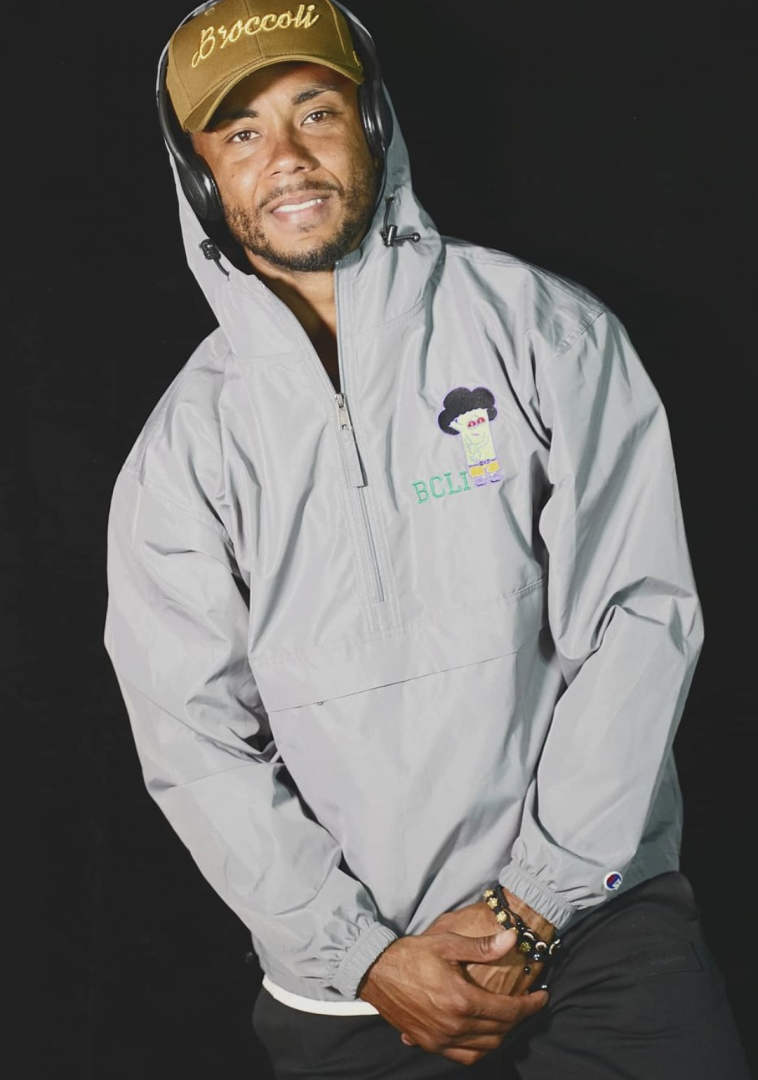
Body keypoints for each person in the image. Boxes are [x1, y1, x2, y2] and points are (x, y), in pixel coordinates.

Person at [104, 1, 751, 1077]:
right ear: (201, 174)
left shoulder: (546, 332)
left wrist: (535, 901)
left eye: (316, 111)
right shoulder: (184, 446)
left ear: (373, 124)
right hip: (353, 985)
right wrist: (358, 954)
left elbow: (639, 619)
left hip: (598, 931)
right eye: (242, 131)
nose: (287, 156)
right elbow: (191, 737)